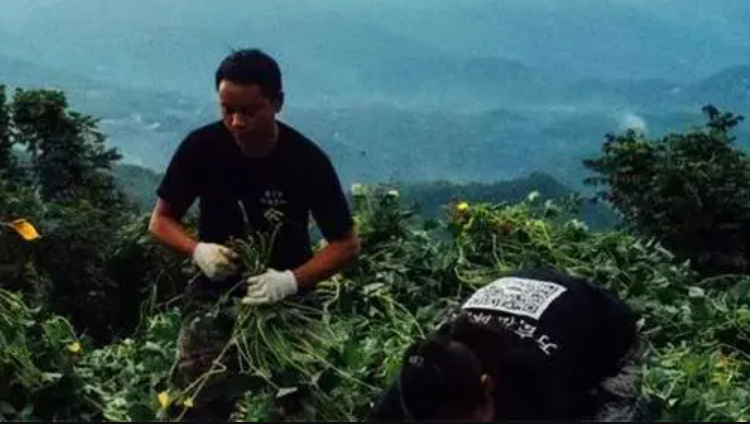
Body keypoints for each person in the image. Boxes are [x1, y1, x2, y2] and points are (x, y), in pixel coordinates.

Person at [148, 48, 361, 420]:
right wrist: (197, 251)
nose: (236, 122)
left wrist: (292, 281)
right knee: (202, 401)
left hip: (290, 306)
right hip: (213, 298)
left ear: (276, 103)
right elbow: (160, 221)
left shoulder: (306, 161)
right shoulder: (201, 148)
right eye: (227, 110)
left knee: (292, 403)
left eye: (248, 111)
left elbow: (346, 244)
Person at [367, 267, 643, 422]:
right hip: (528, 287)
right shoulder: (425, 372)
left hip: (606, 330)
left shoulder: (536, 390)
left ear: (486, 392)